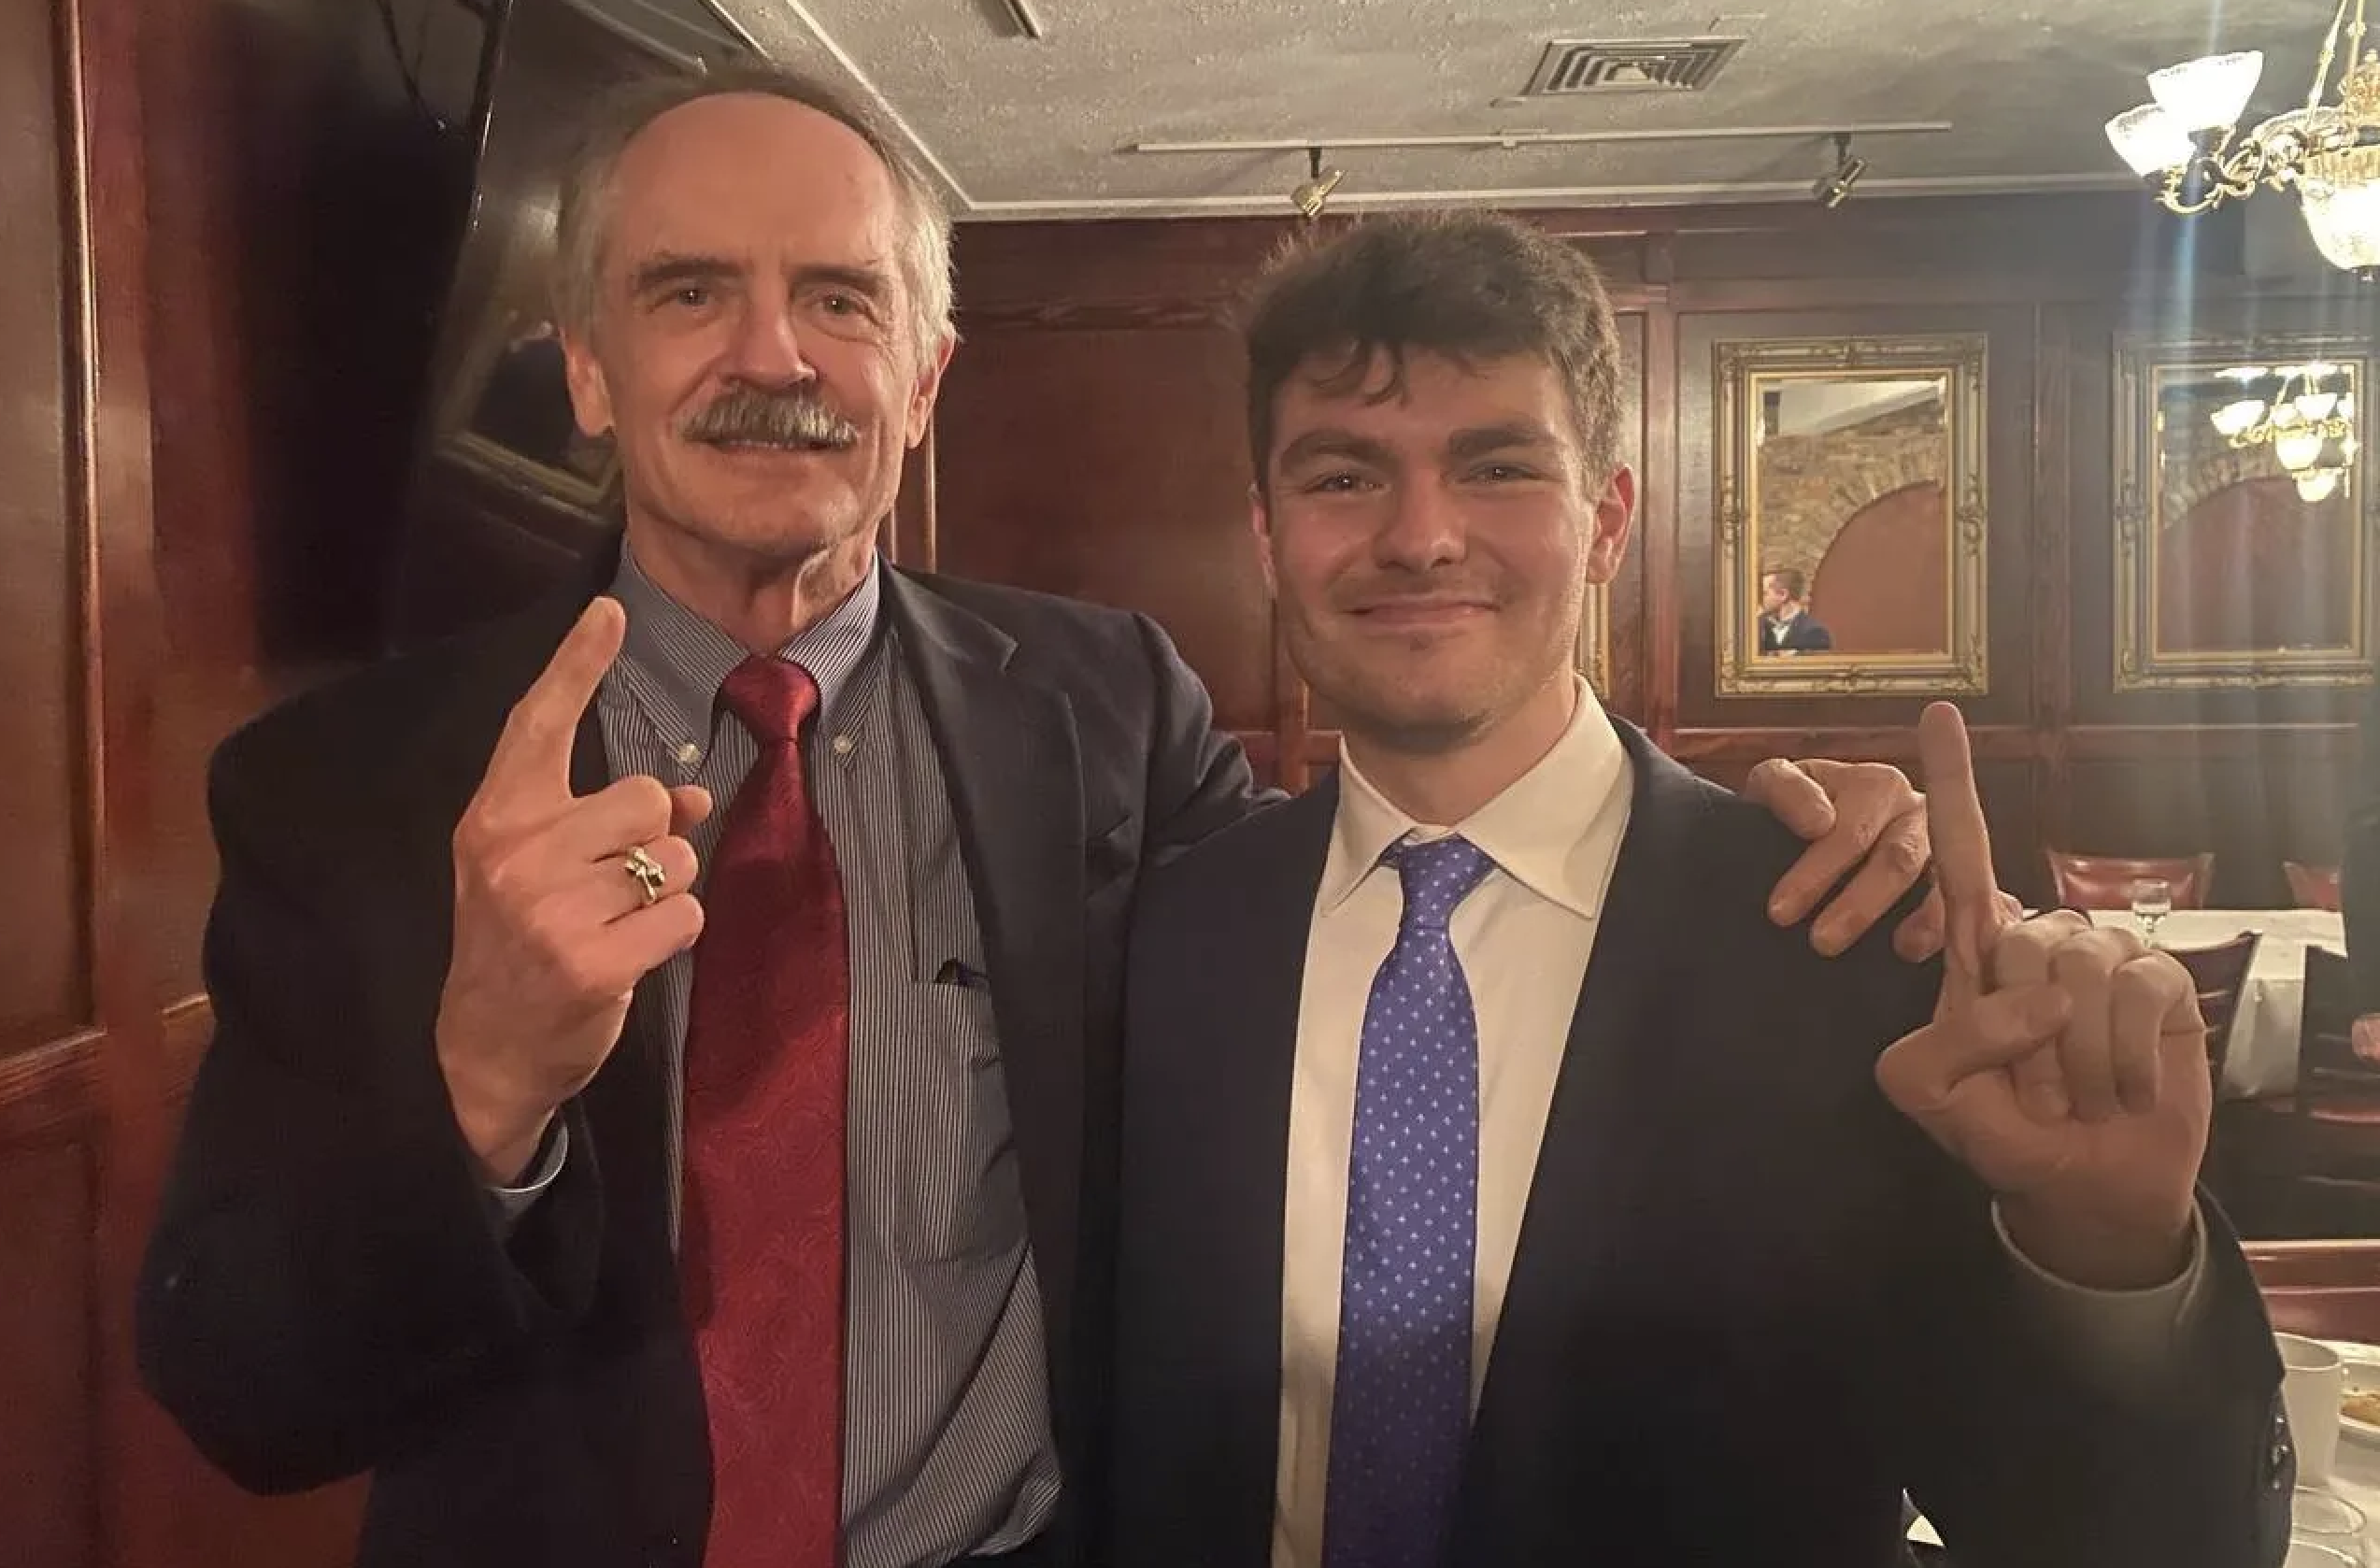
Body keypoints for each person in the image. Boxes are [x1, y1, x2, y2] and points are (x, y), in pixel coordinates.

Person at [135, 67, 1948, 1568]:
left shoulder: (1103, 713)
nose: (773, 352)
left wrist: (1777, 817)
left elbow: (1405, 865)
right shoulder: (348, 788)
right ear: (589, 366)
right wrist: (478, 1086)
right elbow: (246, 1389)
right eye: (689, 290)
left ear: (923, 377)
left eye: (842, 299)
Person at [1108, 213, 2291, 1568]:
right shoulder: (1169, 945)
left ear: (1605, 518)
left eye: (1494, 465)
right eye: (1340, 477)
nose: (1419, 535)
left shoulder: (1853, 942)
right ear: (1266, 536)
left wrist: (2106, 1253)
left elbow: (2111, 1539)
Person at [1758, 564, 1833, 653]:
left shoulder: (1815, 632)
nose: (1759, 599)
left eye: (1764, 593)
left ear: (1783, 594)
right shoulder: (1757, 626)